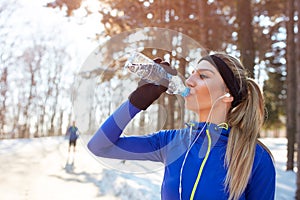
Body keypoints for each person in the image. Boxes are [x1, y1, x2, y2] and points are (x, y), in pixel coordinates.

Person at [87, 53, 275, 200]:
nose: (189, 81)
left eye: (202, 76)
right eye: (193, 73)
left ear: (227, 94)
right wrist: (136, 102)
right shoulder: (171, 141)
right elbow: (99, 146)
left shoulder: (254, 157)